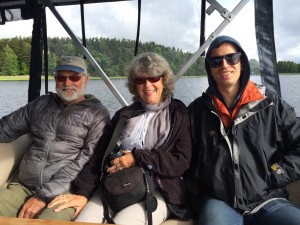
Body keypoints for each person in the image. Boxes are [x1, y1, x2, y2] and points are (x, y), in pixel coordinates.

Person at [49, 52, 192, 225]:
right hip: (115, 186)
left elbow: (181, 161)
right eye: (140, 80)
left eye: (154, 78)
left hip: (158, 190)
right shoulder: (124, 115)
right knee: (83, 221)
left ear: (163, 80)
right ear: (134, 84)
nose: (147, 85)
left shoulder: (178, 113)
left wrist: (137, 158)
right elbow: (99, 155)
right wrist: (83, 192)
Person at [188, 35, 300, 225]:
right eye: (216, 61)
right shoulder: (196, 111)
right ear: (210, 70)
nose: (225, 65)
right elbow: (183, 155)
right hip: (219, 202)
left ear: (242, 63)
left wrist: (276, 173)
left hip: (269, 199)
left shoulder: (272, 105)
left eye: (232, 58)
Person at [0, 56, 110, 221]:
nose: (67, 83)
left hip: (64, 192)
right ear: (55, 80)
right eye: (61, 78)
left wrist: (44, 195)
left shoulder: (97, 114)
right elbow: (6, 128)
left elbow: (87, 159)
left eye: (74, 77)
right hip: (23, 185)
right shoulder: (41, 104)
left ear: (85, 80)